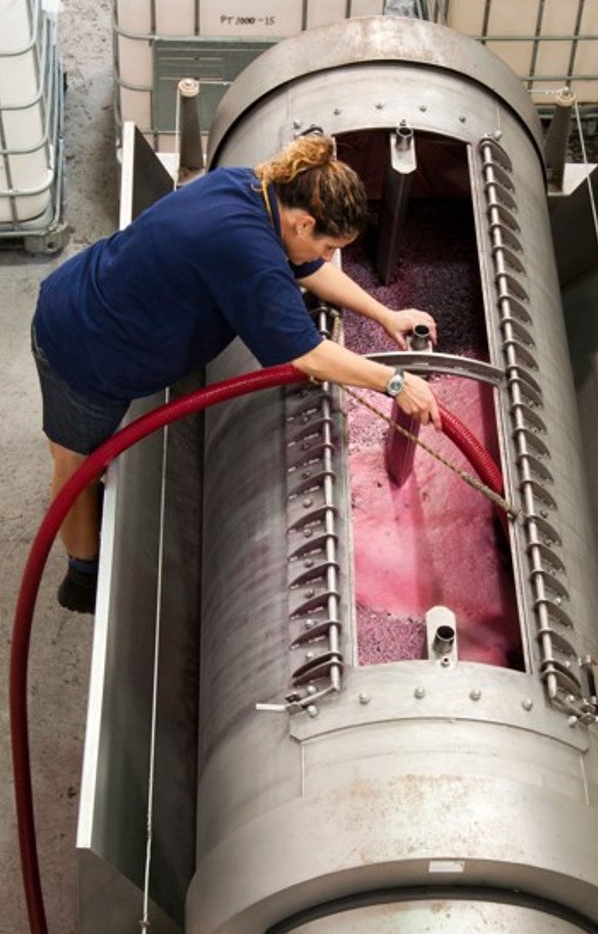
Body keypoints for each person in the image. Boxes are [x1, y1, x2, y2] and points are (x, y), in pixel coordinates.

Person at [32, 133, 439, 612]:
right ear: (304, 222)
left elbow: (308, 267)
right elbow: (308, 355)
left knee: (84, 455)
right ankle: (83, 576)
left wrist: (385, 316)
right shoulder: (246, 249)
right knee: (74, 465)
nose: (328, 256)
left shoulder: (256, 188)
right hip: (85, 347)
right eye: (329, 244)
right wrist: (394, 381)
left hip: (97, 297)